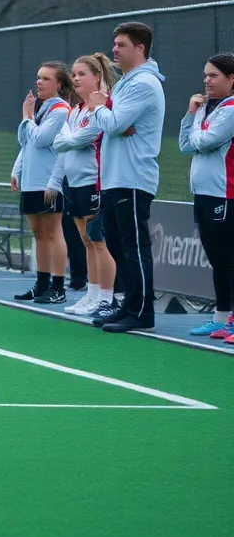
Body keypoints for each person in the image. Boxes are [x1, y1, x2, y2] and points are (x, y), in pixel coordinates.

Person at [88, 22, 165, 334]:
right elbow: (118, 123)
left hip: (133, 178)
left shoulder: (143, 83)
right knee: (121, 247)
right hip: (115, 177)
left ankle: (143, 312)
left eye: (121, 45)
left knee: (134, 247)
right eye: (114, 44)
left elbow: (116, 123)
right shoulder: (126, 83)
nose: (114, 50)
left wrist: (98, 108)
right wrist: (109, 115)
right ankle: (129, 304)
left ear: (140, 48)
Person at [47, 54, 119, 317]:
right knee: (86, 241)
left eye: (82, 74)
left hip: (92, 182)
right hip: (73, 183)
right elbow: (60, 143)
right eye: (74, 75)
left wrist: (70, 139)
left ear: (97, 77)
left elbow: (82, 138)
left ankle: (107, 297)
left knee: (99, 241)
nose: (76, 79)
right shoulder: (75, 110)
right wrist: (69, 139)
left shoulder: (101, 108)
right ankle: (92, 294)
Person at [179, 53, 234, 342]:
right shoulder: (205, 108)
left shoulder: (231, 108)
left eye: (213, 75)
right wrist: (191, 114)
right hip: (203, 194)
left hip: (224, 195)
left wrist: (200, 130)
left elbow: (207, 141)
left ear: (231, 78)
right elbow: (186, 146)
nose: (207, 80)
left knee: (228, 258)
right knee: (217, 260)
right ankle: (221, 319)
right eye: (205, 75)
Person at [10, 63, 72, 304]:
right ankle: (41, 283)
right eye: (38, 77)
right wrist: (18, 170)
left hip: (48, 181)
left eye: (46, 78)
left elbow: (41, 138)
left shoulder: (60, 110)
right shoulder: (41, 109)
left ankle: (58, 286)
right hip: (31, 181)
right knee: (38, 233)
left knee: (53, 232)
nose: (39, 82)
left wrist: (27, 117)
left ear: (59, 84)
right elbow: (25, 141)